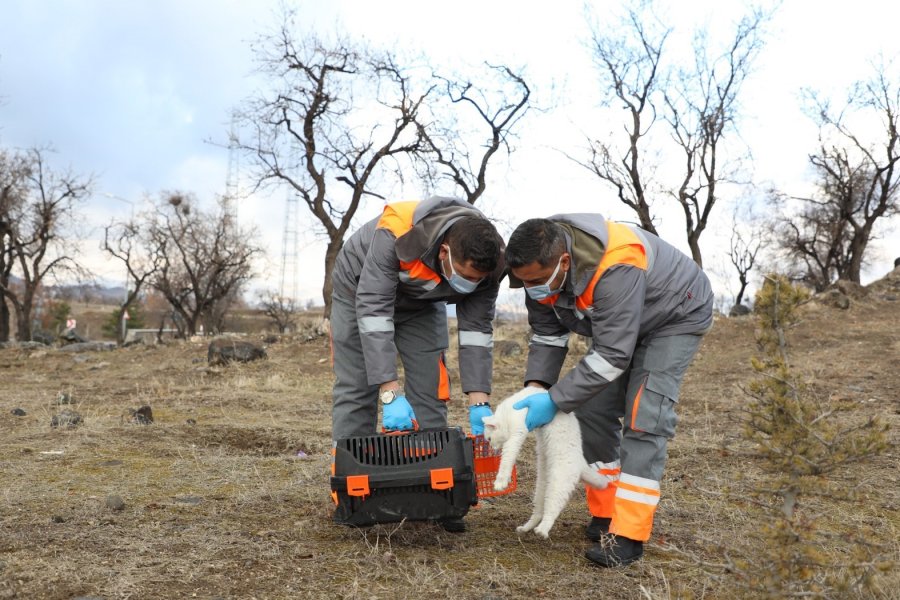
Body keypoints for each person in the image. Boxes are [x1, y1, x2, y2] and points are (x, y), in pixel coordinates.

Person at [504, 214, 713, 567]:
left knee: (645, 414)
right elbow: (548, 335)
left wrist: (554, 401)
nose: (532, 289)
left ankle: (628, 533)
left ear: (564, 262)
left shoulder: (617, 264)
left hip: (674, 316)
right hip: (621, 323)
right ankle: (606, 511)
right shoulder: (536, 269)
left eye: (537, 281)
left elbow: (613, 355)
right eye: (524, 282)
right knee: (590, 409)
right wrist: (537, 388)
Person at [330, 196, 504, 531]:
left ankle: (437, 492)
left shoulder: (492, 261)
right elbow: (374, 312)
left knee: (430, 386)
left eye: (476, 280)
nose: (469, 285)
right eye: (465, 276)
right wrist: (390, 392)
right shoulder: (395, 233)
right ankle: (353, 494)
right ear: (444, 253)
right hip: (359, 292)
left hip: (423, 301)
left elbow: (476, 331)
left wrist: (479, 400)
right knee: (356, 387)